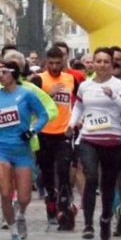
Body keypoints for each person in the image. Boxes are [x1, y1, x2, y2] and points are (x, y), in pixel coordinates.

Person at [0, 60, 48, 240]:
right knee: (5, 193)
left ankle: (21, 215)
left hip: (22, 151)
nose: (0, 75)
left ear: (14, 74)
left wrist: (33, 131)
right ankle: (13, 234)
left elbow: (43, 115)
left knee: (24, 197)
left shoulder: (26, 94)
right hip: (1, 148)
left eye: (4, 72)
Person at [69, 47, 121, 240]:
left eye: (106, 61)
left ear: (112, 64)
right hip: (89, 137)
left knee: (108, 183)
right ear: (93, 63)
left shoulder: (118, 84)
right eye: (99, 61)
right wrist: (71, 123)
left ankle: (105, 217)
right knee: (91, 178)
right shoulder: (85, 86)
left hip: (112, 139)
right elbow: (78, 106)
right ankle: (88, 223)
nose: (102, 65)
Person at [36, 46, 78, 229]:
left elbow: (78, 102)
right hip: (44, 132)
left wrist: (76, 121)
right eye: (51, 63)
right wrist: (48, 95)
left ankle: (64, 208)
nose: (54, 67)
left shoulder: (70, 79)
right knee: (46, 173)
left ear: (63, 61)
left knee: (63, 170)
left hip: (63, 132)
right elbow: (31, 104)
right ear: (46, 62)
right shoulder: (39, 79)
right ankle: (50, 202)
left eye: (58, 63)